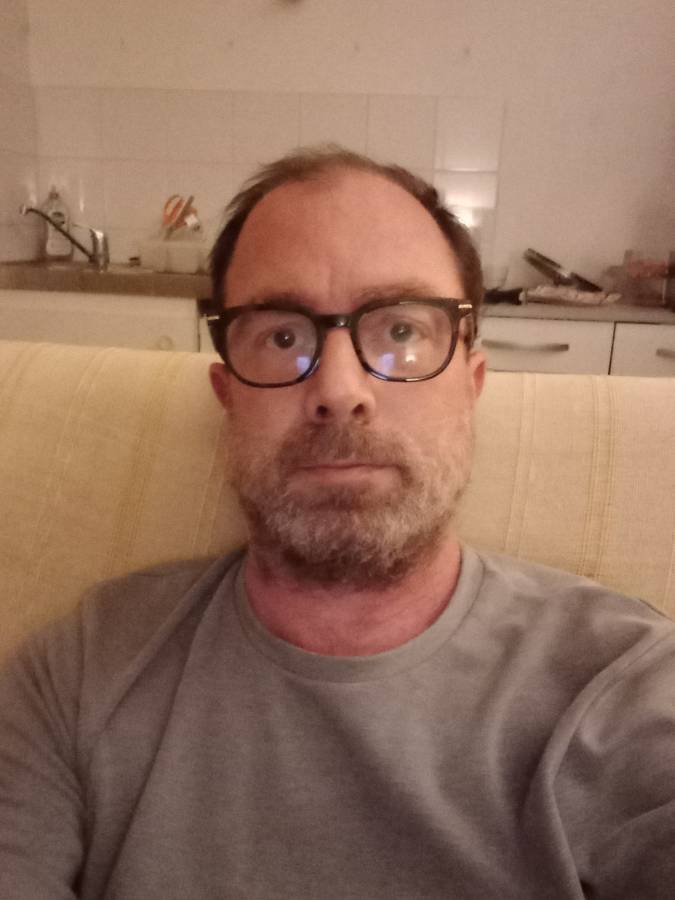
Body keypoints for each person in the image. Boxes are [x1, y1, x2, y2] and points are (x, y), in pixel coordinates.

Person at [1, 147, 674, 900]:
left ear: (472, 384)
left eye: (402, 332)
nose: (340, 389)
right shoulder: (77, 677)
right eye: (283, 337)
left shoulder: (626, 687)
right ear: (227, 396)